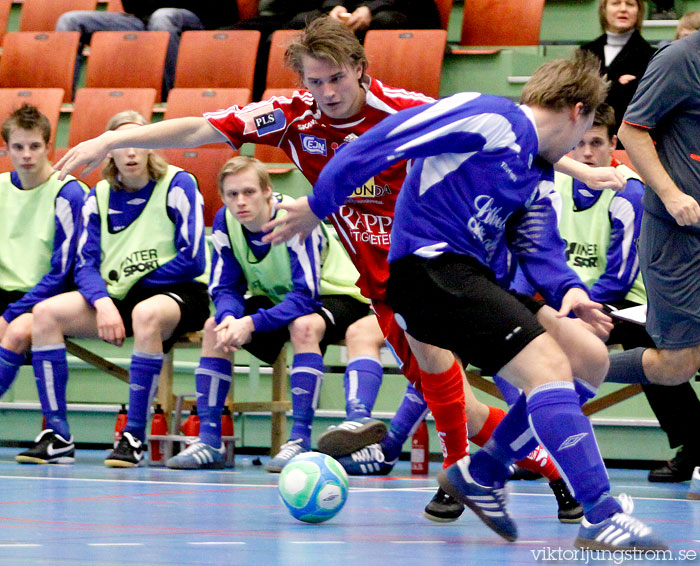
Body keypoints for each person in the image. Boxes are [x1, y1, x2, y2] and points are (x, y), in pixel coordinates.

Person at [54, 17, 604, 521]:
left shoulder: (399, 107)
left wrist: (582, 168)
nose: (327, 94)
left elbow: (504, 134)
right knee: (446, 383)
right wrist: (111, 137)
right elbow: (200, 129)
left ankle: (473, 473)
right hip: (385, 281)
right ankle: (542, 473)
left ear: (361, 69)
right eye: (315, 83)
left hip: (448, 257)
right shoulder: (292, 117)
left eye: (336, 79)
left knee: (508, 372)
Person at [266, 50, 666, 550]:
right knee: (547, 369)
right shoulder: (489, 116)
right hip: (427, 270)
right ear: (577, 112)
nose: (581, 153)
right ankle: (601, 515)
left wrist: (573, 292)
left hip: (474, 278)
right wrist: (316, 205)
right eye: (583, 135)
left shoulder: (537, 171)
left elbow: (538, 246)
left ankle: (483, 474)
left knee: (587, 359)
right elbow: (379, 142)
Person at [162, 156, 387, 472]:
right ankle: (209, 441)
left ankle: (298, 441)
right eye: (232, 194)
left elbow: (305, 297)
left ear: (268, 192)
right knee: (215, 326)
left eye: (249, 192)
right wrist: (230, 317)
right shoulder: (227, 222)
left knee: (304, 326)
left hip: (335, 295)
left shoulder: (292, 219)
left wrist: (251, 322)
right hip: (280, 300)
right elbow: (226, 286)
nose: (240, 202)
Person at [513, 103, 700, 483]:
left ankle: (693, 443)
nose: (586, 153)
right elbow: (531, 249)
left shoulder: (629, 193)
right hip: (564, 299)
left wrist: (572, 313)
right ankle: (531, 446)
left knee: (662, 346)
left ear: (613, 144)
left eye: (596, 143)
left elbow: (618, 277)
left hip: (623, 303)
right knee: (522, 339)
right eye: (578, 143)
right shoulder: (554, 183)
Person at [16, 110, 210, 467]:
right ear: (111, 152)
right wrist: (102, 302)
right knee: (44, 314)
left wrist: (132, 286)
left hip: (179, 291)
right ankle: (58, 434)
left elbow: (194, 258)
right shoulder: (98, 196)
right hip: (119, 295)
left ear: (152, 147)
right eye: (123, 145)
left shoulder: (179, 184)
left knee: (145, 312)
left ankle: (134, 435)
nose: (132, 152)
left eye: (140, 142)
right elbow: (85, 264)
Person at [616, 25, 700, 500]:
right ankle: (569, 367)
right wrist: (670, 195)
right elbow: (632, 129)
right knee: (676, 365)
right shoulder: (681, 58)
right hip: (676, 234)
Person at [0, 105, 88, 403]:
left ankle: (55, 431)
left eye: (35, 146)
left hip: (48, 298)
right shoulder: (0, 189)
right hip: (6, 292)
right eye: (18, 147)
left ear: (49, 146)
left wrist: (9, 315)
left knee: (18, 330)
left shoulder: (69, 192)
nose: (27, 155)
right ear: (6, 148)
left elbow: (62, 274)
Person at [55, 1, 239, 99]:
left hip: (195, 19)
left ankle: (167, 97)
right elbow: (132, 6)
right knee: (69, 20)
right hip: (143, 20)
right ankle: (60, 99)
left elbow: (224, 11)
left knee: (163, 16)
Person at [581, 0, 655, 137]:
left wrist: (600, 88)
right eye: (615, 3)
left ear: (639, 11)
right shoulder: (586, 52)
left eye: (630, 4)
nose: (623, 9)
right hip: (585, 136)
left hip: (627, 139)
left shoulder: (651, 56)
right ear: (604, 9)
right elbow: (580, 96)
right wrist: (618, 86)